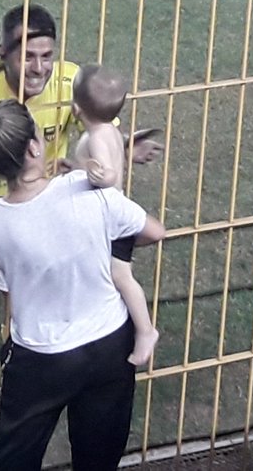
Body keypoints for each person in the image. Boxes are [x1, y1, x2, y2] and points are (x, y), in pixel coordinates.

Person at [0, 4, 163, 457]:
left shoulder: (70, 81)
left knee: (23, 321)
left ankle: (22, 394)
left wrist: (126, 147)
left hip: (40, 218)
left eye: (47, 56)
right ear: (3, 53)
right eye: (28, 56)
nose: (39, 68)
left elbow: (99, 129)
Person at [0, 99, 166, 471]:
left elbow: (7, 263)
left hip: (40, 359)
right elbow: (153, 231)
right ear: (34, 148)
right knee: (99, 460)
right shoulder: (88, 189)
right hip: (109, 345)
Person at [71, 63, 159, 366]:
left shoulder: (95, 138)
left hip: (111, 221)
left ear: (75, 109)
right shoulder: (111, 131)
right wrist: (75, 169)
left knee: (120, 274)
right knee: (110, 275)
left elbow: (106, 174)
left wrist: (97, 173)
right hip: (112, 214)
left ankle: (145, 330)